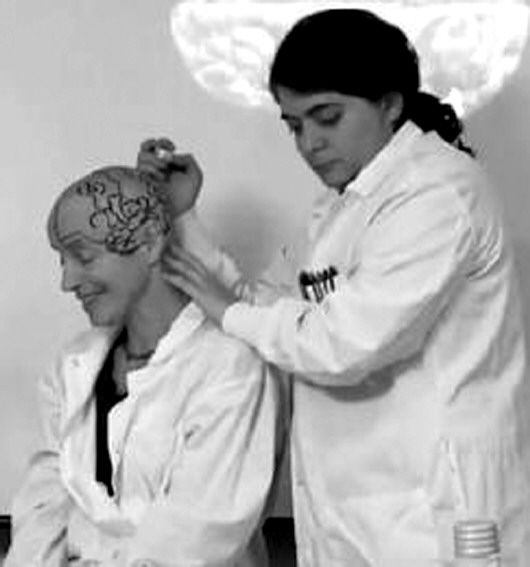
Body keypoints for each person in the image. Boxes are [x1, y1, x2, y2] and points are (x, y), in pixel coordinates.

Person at [137, 7, 530, 566]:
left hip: (438, 512)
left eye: (327, 117)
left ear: (390, 104)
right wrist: (184, 216)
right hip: (359, 510)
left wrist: (229, 312)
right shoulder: (338, 208)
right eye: (295, 125)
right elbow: (261, 306)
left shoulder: (437, 194)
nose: (309, 143)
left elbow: (344, 345)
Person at [5, 166, 283, 567]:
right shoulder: (72, 366)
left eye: (83, 257)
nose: (67, 281)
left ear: (150, 244)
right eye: (62, 260)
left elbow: (196, 538)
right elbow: (44, 502)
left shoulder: (229, 367)